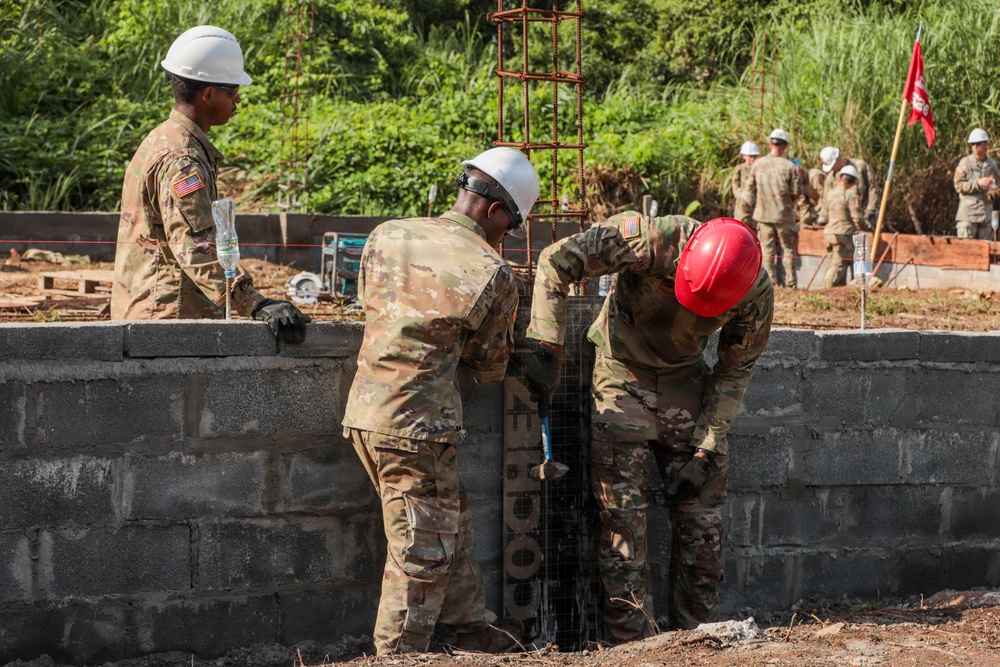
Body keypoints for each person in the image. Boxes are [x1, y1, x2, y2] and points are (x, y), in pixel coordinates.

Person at [523, 213, 773, 644]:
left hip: (686, 382)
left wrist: (705, 450)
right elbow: (555, 260)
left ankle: (700, 640)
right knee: (622, 522)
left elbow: (734, 372)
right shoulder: (651, 239)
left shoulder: (754, 292)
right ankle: (634, 645)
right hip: (622, 374)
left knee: (703, 522)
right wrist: (547, 345)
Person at [341, 147, 540, 655]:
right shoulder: (493, 272)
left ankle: (472, 627)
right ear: (496, 212)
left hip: (367, 411)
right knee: (421, 551)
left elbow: (372, 305)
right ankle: (401, 653)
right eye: (509, 228)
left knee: (451, 518)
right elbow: (489, 366)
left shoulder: (389, 232)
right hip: (418, 426)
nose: (505, 240)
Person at [111, 25, 309, 343]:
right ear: (208, 95)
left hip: (160, 314)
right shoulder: (181, 160)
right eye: (232, 91)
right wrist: (256, 304)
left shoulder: (165, 138)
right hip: (167, 321)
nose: (238, 100)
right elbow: (196, 248)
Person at [745, 128, 803, 288]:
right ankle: (790, 284)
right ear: (785, 146)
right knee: (788, 249)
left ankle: (770, 283)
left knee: (766, 249)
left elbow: (749, 189)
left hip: (763, 216)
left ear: (770, 143)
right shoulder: (790, 166)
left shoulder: (758, 165)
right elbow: (797, 192)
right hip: (783, 215)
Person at [818, 165, 862, 287]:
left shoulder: (830, 194)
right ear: (853, 181)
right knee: (839, 264)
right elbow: (856, 216)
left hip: (829, 234)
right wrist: (864, 226)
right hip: (844, 234)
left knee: (833, 262)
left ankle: (837, 289)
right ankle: (828, 288)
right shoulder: (850, 195)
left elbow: (823, 216)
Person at [953, 128, 999, 240]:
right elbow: (958, 186)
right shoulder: (965, 163)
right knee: (966, 253)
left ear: (986, 144)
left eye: (978, 144)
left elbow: (998, 185)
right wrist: (978, 183)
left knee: (985, 253)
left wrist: (994, 192)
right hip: (968, 216)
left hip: (986, 217)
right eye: (973, 144)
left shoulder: (992, 165)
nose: (975, 147)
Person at [819, 146, 880, 230]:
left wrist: (871, 209)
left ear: (838, 159)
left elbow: (872, 187)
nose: (832, 169)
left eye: (832, 165)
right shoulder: (831, 178)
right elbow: (826, 199)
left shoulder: (860, 166)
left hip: (864, 216)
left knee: (864, 240)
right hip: (844, 221)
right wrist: (822, 219)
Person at [731, 141, 759, 229]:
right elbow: (735, 187)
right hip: (742, 208)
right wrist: (742, 196)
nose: (752, 159)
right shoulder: (739, 169)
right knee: (741, 229)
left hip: (757, 207)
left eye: (755, 156)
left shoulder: (759, 169)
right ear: (744, 156)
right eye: (750, 156)